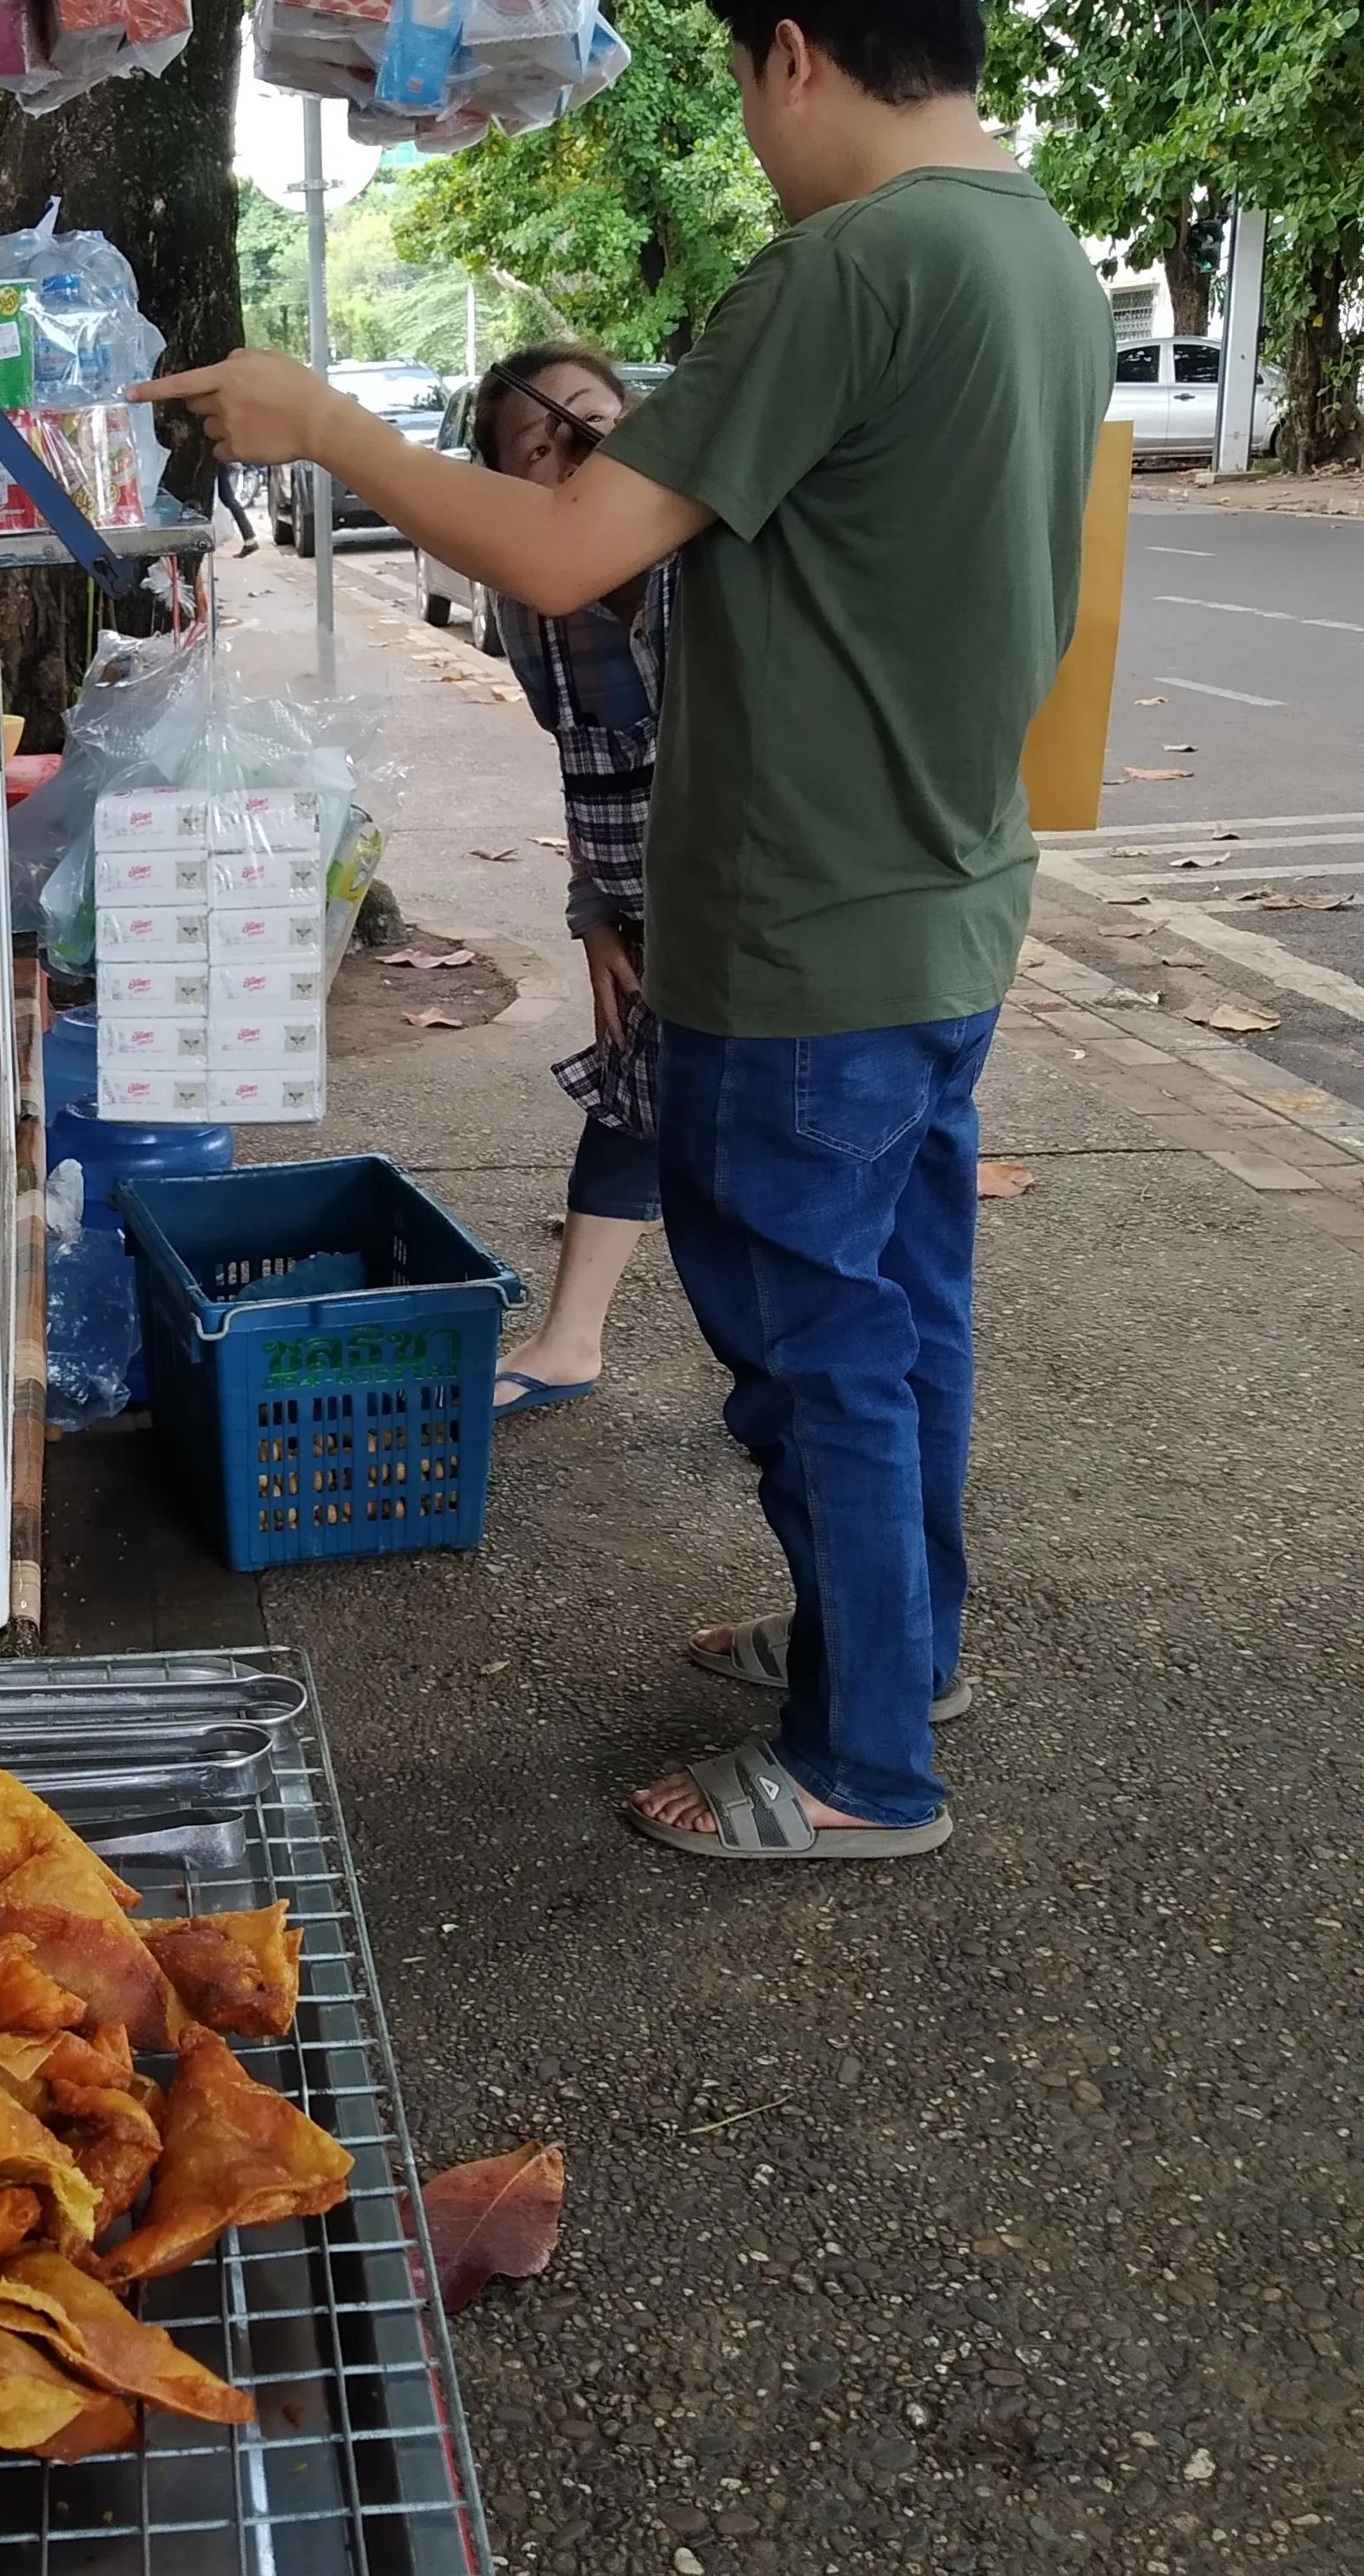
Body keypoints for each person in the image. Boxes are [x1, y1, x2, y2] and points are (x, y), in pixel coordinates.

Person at [142, 0, 1113, 1863]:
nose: (754, 131)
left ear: (798, 55)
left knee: (815, 1347)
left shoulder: (847, 266)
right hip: (940, 903)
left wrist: (323, 422)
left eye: (750, 86)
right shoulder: (1034, 249)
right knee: (901, 1322)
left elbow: (570, 549)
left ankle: (861, 1772)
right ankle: (900, 1660)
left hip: (804, 932)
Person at [468, 345, 674, 1420]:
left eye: (591, 423)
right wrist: (597, 915)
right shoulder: (529, 604)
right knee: (634, 1100)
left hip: (759, 900)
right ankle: (568, 1342)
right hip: (639, 898)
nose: (573, 453)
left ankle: (811, 1394)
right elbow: (577, 755)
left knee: (761, 1142)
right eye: (539, 448)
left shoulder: (713, 545)